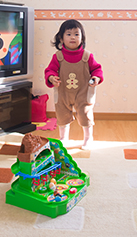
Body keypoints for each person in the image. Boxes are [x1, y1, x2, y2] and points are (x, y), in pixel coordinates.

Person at [44, 19, 104, 148]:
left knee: (85, 114)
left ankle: (88, 138)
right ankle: (63, 137)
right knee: (62, 114)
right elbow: (50, 70)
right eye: (69, 34)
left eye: (77, 34)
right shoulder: (58, 56)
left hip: (82, 92)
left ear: (82, 38)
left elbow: (97, 69)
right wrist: (52, 78)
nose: (73, 37)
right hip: (63, 92)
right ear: (61, 38)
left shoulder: (87, 56)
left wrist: (96, 78)